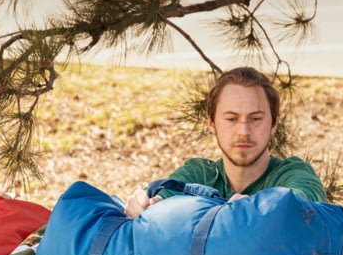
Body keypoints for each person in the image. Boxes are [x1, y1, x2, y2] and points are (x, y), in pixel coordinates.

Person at [124, 67, 327, 218]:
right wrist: (144, 206)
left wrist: (258, 208)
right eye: (231, 119)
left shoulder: (292, 174)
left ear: (273, 124)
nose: (243, 131)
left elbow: (303, 201)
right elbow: (161, 201)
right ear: (212, 123)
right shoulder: (198, 175)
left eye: (256, 119)